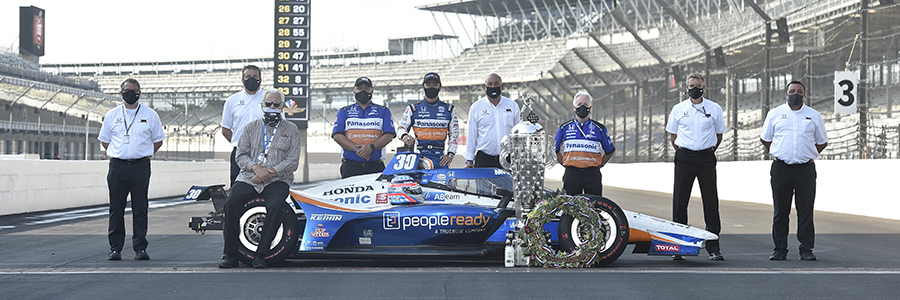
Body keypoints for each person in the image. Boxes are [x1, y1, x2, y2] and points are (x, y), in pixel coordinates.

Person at [219, 89, 302, 268]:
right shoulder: (250, 128)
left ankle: (261, 254)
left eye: (276, 104)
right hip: (250, 177)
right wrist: (256, 169)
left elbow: (293, 161)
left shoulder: (292, 129)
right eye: (269, 104)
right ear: (262, 105)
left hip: (278, 179)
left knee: (276, 205)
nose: (272, 107)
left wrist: (269, 173)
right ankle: (230, 254)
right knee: (231, 202)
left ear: (282, 107)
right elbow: (240, 155)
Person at [97, 78, 165, 261]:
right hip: (118, 166)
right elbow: (105, 140)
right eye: (127, 91)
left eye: (134, 91)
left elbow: (158, 140)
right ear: (121, 93)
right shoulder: (112, 115)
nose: (131, 94)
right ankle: (115, 248)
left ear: (139, 93)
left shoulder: (150, 115)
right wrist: (119, 152)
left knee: (140, 207)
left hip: (140, 166)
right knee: (116, 208)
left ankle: (140, 248)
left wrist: (143, 153)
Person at [760, 81, 828, 261]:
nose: (795, 94)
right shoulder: (775, 114)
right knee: (780, 211)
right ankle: (779, 249)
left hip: (805, 169)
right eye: (792, 91)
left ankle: (806, 249)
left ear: (804, 94)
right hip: (781, 168)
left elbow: (822, 142)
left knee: (805, 211)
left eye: (799, 91)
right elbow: (765, 139)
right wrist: (779, 152)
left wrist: (808, 153)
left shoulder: (814, 115)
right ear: (786, 94)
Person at [665, 73, 727, 261]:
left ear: (704, 88)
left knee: (710, 201)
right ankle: (679, 246)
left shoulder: (714, 108)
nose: (695, 89)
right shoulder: (678, 109)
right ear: (686, 88)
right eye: (691, 85)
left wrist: (707, 150)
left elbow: (719, 135)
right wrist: (686, 151)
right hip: (684, 158)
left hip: (706, 158)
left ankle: (713, 247)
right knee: (680, 202)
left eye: (698, 85)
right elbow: (673, 136)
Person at [332, 77, 396, 178]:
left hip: (375, 165)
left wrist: (371, 147)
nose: (363, 91)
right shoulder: (344, 111)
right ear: (354, 91)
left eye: (367, 88)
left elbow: (389, 135)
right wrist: (356, 149)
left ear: (372, 91)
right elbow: (337, 135)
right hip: (350, 166)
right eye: (359, 88)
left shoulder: (383, 111)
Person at [554, 92, 616, 196]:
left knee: (594, 204)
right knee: (570, 204)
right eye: (579, 104)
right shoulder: (564, 127)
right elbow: (554, 149)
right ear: (574, 108)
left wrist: (600, 164)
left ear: (590, 107)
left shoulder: (599, 128)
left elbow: (610, 150)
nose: (582, 107)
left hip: (592, 174)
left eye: (585, 105)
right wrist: (564, 163)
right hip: (571, 174)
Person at [397, 72, 459, 169]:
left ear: (440, 87)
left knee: (450, 176)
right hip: (420, 156)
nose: (431, 87)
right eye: (428, 84)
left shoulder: (449, 109)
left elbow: (454, 134)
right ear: (423, 86)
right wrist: (405, 136)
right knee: (428, 166)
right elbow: (401, 129)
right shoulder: (413, 108)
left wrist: (450, 154)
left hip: (441, 157)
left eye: (435, 84)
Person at [464, 73, 520, 168]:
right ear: (484, 87)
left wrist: (519, 155)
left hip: (508, 158)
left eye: (496, 83)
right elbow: (471, 135)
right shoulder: (476, 107)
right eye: (490, 84)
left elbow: (518, 133)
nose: (493, 87)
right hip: (484, 158)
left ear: (502, 87)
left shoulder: (512, 105)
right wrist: (469, 159)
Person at [221, 65, 265, 186]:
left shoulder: (270, 99)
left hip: (264, 153)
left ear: (260, 79)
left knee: (265, 186)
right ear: (242, 80)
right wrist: (241, 145)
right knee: (237, 187)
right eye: (248, 76)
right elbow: (225, 129)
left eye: (255, 76)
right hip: (239, 154)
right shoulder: (232, 101)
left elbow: (281, 126)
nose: (251, 79)